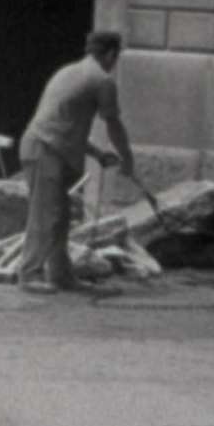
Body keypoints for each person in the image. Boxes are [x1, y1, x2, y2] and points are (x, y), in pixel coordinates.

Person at [17, 29, 137, 296]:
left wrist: (98, 154)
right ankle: (29, 274)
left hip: (41, 146)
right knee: (46, 215)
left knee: (59, 216)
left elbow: (66, 126)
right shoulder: (102, 80)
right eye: (116, 57)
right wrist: (128, 158)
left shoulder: (69, 71)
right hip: (45, 149)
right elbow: (114, 125)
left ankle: (61, 275)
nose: (115, 62)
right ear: (111, 54)